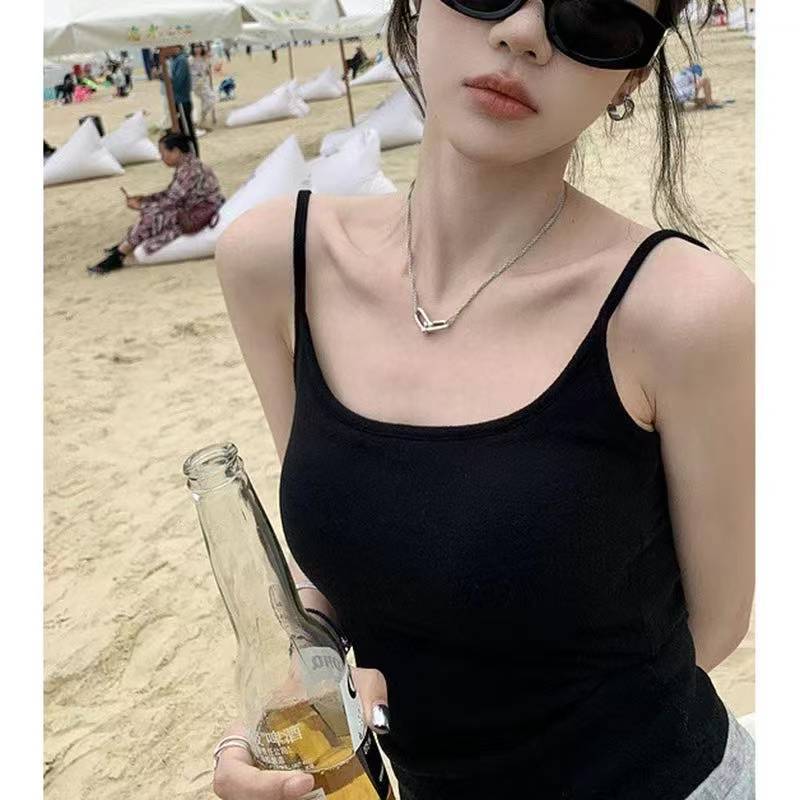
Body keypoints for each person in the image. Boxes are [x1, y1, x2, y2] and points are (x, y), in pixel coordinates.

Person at [213, 1, 755, 799]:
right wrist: (277, 710)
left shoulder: (682, 310)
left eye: (594, 18)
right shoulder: (273, 264)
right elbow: (342, 567)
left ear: (630, 76)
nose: (523, 33)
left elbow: (715, 626)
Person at [87, 132, 223, 275]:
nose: (161, 157)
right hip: (193, 206)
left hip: (198, 212)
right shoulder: (188, 165)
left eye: (163, 153)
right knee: (152, 209)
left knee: (152, 215)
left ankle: (119, 255)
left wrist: (141, 205)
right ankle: (126, 245)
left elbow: (171, 201)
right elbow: (172, 194)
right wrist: (145, 199)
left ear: (176, 151)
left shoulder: (190, 171)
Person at [169, 47, 199, 156]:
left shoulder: (181, 60)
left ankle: (194, 157)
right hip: (178, 100)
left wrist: (164, 77)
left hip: (182, 101)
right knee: (182, 130)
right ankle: (189, 157)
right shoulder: (175, 60)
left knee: (187, 131)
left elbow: (178, 82)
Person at [190, 43, 218, 127]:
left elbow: (214, 61)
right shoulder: (191, 59)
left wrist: (209, 54)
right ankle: (202, 116)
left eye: (199, 47)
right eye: (195, 47)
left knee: (207, 100)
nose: (197, 49)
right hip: (196, 83)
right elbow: (189, 72)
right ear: (193, 49)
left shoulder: (204, 58)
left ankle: (203, 117)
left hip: (204, 81)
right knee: (211, 98)